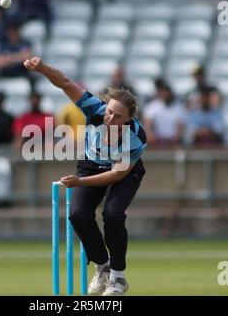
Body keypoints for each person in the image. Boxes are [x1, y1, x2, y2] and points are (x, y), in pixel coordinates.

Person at [24, 56, 147, 296]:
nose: (110, 119)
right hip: (91, 164)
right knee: (78, 215)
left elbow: (115, 175)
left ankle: (118, 278)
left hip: (123, 173)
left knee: (113, 214)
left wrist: (79, 182)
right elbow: (66, 83)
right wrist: (42, 68)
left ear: (129, 119)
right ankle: (103, 267)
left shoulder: (136, 136)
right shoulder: (94, 108)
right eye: (110, 112)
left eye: (118, 116)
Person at [142, 82, 187, 148]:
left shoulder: (179, 108)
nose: (165, 94)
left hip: (173, 142)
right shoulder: (152, 107)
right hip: (156, 141)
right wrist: (151, 136)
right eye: (163, 92)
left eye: (167, 92)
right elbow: (148, 124)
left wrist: (176, 139)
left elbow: (180, 128)